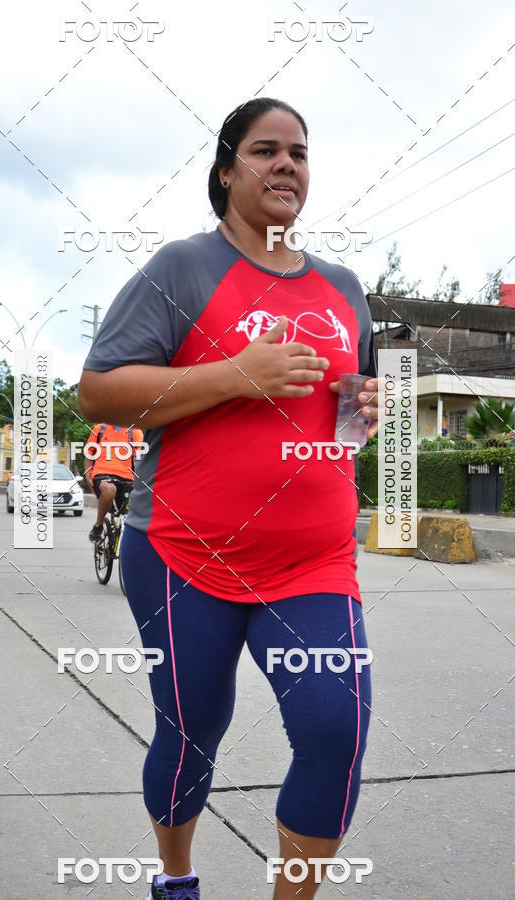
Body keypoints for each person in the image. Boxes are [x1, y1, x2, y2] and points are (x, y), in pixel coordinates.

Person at [78, 97, 379, 900]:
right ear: (225, 171)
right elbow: (99, 392)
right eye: (265, 150)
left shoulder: (346, 288)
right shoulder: (182, 269)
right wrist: (234, 375)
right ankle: (176, 877)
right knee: (190, 736)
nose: (287, 164)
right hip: (184, 557)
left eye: (300, 153)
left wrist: (361, 421)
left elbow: (343, 427)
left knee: (334, 730)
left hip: (311, 563)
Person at [84, 423, 143, 543]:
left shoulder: (135, 432)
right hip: (102, 474)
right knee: (110, 490)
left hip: (127, 477)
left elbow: (140, 460)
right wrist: (87, 476)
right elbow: (89, 455)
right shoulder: (100, 429)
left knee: (135, 509)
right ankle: (99, 525)